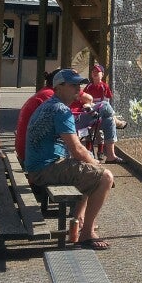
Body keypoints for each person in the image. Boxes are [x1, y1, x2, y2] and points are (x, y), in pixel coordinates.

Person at [24, 68, 114, 250]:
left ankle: (79, 220)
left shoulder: (49, 105)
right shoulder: (61, 110)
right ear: (59, 87)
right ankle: (87, 233)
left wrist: (90, 162)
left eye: (78, 85)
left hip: (38, 166)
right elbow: (77, 148)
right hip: (45, 169)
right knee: (105, 177)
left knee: (88, 172)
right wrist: (95, 163)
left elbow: (75, 151)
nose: (77, 89)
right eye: (73, 85)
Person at [14, 69, 57, 166]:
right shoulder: (50, 95)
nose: (78, 88)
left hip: (26, 149)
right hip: (31, 154)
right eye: (73, 85)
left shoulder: (45, 92)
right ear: (60, 84)